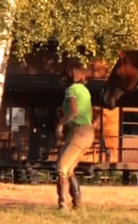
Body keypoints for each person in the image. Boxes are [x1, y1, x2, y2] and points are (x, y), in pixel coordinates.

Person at [55, 61, 96, 210]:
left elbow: (74, 111)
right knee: (70, 168)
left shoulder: (71, 90)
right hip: (88, 132)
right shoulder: (85, 90)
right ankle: (77, 204)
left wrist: (61, 123)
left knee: (61, 168)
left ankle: (63, 206)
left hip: (78, 131)